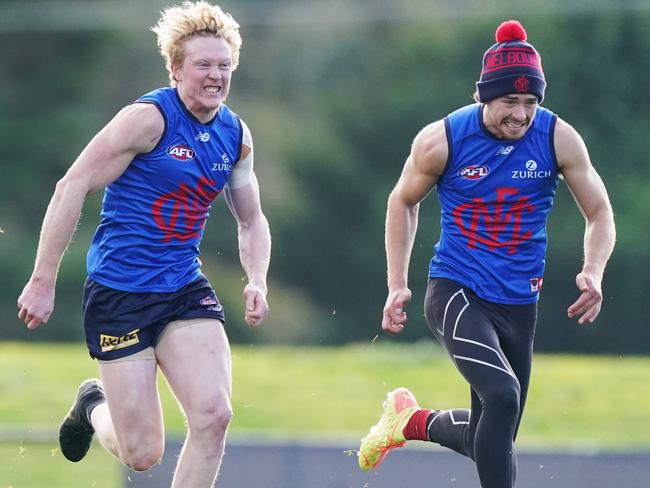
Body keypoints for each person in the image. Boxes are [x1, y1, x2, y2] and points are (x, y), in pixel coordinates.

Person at [16, 2, 270, 486]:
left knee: (214, 416)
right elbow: (71, 186)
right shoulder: (148, 120)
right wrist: (43, 279)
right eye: (203, 65)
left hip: (182, 287)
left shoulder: (235, 135)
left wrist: (256, 278)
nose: (216, 76)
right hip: (121, 293)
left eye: (224, 66)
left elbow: (252, 219)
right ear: (175, 68)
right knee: (142, 453)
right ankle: (94, 404)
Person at [358, 19, 615, 488]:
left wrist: (593, 271)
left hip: (520, 302)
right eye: (509, 102)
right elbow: (402, 200)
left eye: (530, 103)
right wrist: (398, 282)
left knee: (492, 435)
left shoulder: (559, 139)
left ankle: (409, 422)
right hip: (457, 289)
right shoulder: (442, 140)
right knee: (503, 394)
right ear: (483, 97)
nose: (520, 115)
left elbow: (599, 212)